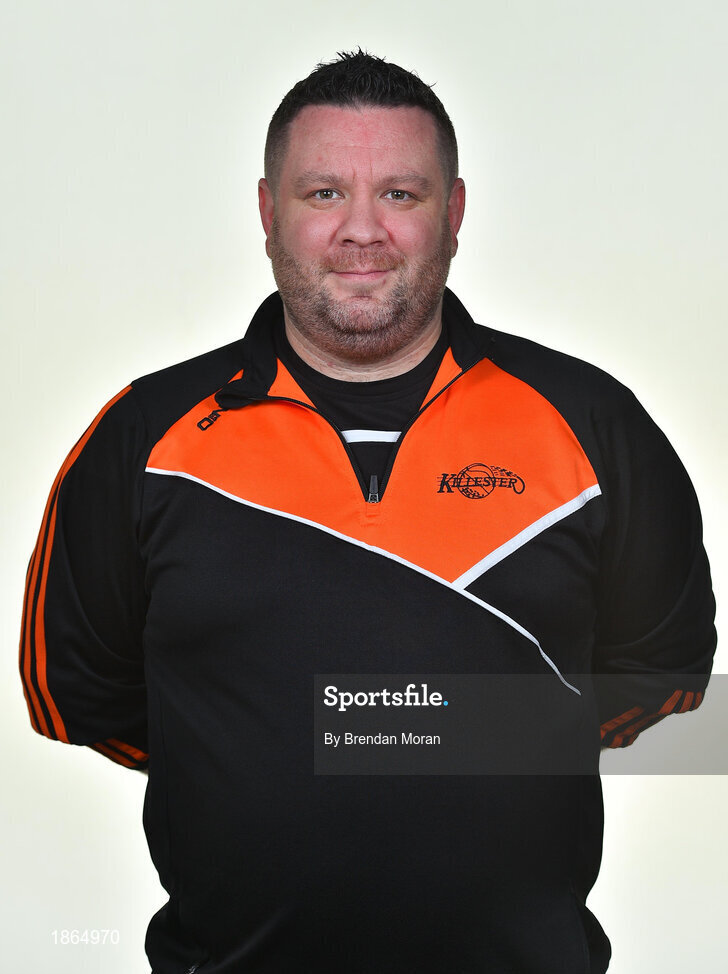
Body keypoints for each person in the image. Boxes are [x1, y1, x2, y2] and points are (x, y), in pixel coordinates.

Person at [20, 51, 716, 973]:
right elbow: (78, 690)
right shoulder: (145, 439)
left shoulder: (591, 426)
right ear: (268, 213)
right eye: (321, 194)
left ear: (454, 215)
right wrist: (250, 756)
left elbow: (663, 673)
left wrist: (404, 733)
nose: (361, 231)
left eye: (399, 193)